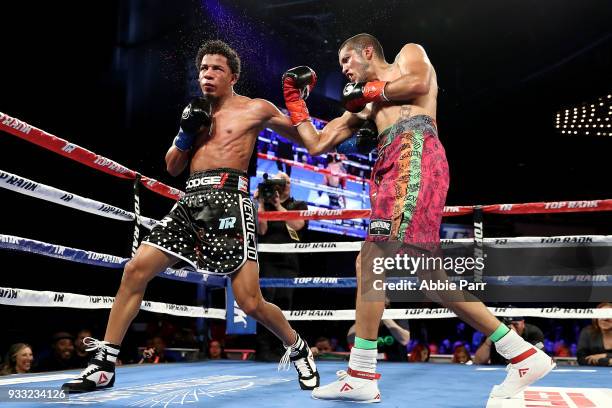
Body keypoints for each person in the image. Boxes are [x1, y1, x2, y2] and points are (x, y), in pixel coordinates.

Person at [282, 33, 554, 402]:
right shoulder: (362, 104)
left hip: (414, 153)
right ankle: (522, 354)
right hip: (390, 167)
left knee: (371, 260)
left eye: (346, 59)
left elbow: (419, 82)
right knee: (432, 281)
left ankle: (361, 372)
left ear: (367, 52)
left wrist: (370, 92)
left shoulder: (406, 56)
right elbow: (316, 143)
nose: (343, 68)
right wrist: (295, 102)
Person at [62, 40, 318, 393]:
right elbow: (172, 166)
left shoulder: (256, 108)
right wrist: (186, 132)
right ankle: (104, 363)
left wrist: (297, 101)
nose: (207, 75)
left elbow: (308, 140)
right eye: (203, 69)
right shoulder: (194, 111)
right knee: (135, 269)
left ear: (233, 76)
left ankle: (298, 348)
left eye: (216, 69)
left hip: (229, 202)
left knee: (250, 302)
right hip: (191, 200)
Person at [255, 172, 308, 361]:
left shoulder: (298, 205)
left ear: (290, 185)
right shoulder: (265, 205)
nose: (281, 185)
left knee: (285, 305)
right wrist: (261, 202)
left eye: (284, 182)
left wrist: (278, 205)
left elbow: (297, 225)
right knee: (265, 304)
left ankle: (281, 348)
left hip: (288, 262)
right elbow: (261, 229)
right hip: (268, 261)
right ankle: (262, 349)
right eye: (277, 182)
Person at [473, 316, 545, 365]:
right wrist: (491, 338)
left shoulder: (533, 333)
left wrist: (513, 338)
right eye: (507, 326)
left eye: (515, 324)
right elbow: (478, 361)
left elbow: (535, 361)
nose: (511, 328)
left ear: (523, 323)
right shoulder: (497, 332)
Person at [577, 302, 612, 366]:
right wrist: (608, 361)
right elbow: (581, 359)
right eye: (602, 315)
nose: (604, 319)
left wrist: (605, 355)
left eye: (609, 315)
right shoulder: (587, 332)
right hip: (594, 374)